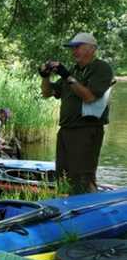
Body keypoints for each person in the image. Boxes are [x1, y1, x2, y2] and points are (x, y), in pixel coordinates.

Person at [39, 32, 114, 194]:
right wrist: (45, 76)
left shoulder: (101, 68)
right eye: (73, 48)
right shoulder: (74, 70)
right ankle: (69, 211)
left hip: (86, 130)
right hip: (66, 129)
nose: (74, 51)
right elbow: (47, 93)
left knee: (83, 177)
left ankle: (92, 211)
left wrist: (66, 75)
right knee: (64, 176)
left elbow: (89, 97)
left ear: (92, 49)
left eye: (78, 47)